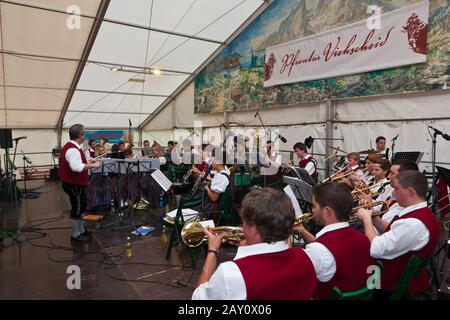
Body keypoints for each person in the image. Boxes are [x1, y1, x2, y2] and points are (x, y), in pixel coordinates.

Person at [192, 188, 317, 300]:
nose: (241, 227)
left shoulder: (230, 273)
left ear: (254, 229)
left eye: (243, 223)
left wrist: (212, 251)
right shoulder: (308, 257)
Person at [355, 170, 440, 299]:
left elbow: (375, 250)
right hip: (395, 270)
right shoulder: (420, 212)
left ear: (410, 191)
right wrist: (373, 217)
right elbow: (389, 231)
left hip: (392, 281)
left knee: (350, 267)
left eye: (396, 188)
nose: (393, 192)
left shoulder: (412, 224)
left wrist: (366, 219)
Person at [293, 183, 374, 299]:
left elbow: (293, 277)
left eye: (314, 206)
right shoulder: (363, 238)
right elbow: (330, 250)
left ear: (327, 211)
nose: (312, 211)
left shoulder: (318, 250)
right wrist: (303, 231)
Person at [59, 124, 100, 242]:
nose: (85, 136)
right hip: (74, 184)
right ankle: (76, 234)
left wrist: (87, 161)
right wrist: (93, 165)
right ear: (80, 136)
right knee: (77, 208)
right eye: (84, 134)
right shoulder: (72, 149)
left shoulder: (73, 147)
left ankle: (81, 230)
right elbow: (76, 167)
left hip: (76, 184)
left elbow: (78, 162)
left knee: (81, 207)